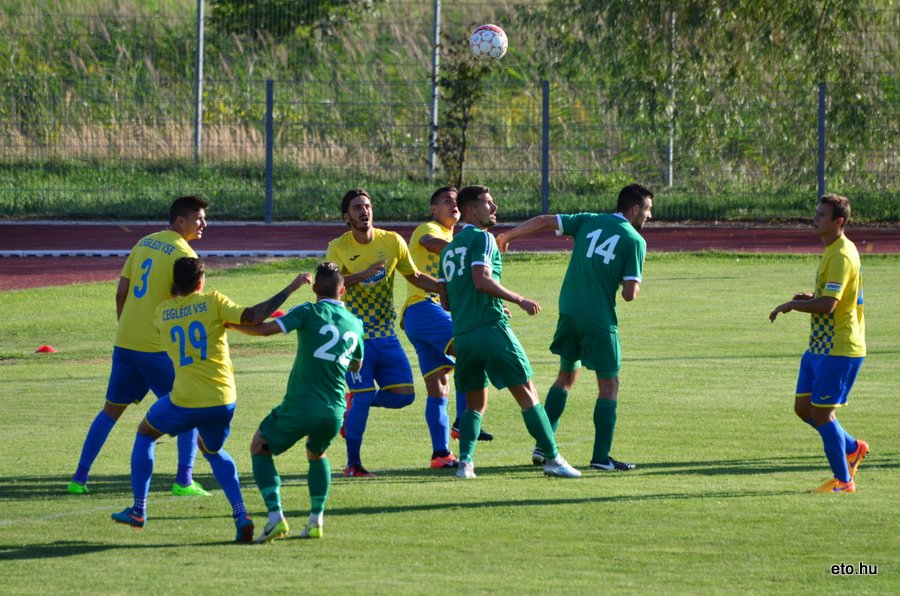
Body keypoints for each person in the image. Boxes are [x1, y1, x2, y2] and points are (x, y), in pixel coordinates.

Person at [111, 257, 310, 541]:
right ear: (201, 283)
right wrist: (290, 288)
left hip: (185, 400)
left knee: (145, 433)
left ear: (174, 284)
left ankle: (139, 509)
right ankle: (241, 515)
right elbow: (253, 316)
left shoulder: (162, 313)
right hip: (223, 400)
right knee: (212, 450)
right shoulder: (214, 302)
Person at [496, 183, 653, 471]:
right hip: (598, 317)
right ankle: (601, 458)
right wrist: (632, 281)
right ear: (634, 210)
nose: (649, 217)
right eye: (648, 210)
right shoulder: (635, 240)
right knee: (609, 384)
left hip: (568, 309)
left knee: (566, 376)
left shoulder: (589, 219)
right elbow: (630, 294)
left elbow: (544, 220)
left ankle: (544, 447)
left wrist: (508, 235)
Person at [68, 195, 211, 496]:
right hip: (155, 348)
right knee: (190, 405)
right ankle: (184, 481)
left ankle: (79, 479)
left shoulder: (143, 243)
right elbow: (186, 305)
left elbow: (121, 292)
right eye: (198, 218)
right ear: (180, 220)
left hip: (125, 343)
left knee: (110, 411)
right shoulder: (184, 255)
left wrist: (126, 327)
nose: (204, 224)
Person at [438, 185, 581, 479]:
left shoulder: (449, 249)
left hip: (463, 337)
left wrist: (481, 301)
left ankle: (465, 464)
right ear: (470, 210)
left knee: (474, 403)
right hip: (491, 331)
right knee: (527, 392)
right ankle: (553, 458)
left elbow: (447, 300)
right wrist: (518, 299)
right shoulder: (484, 239)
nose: (495, 208)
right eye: (488, 203)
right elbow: (481, 279)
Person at [227, 262, 364, 541]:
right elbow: (357, 365)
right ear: (344, 290)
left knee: (260, 446)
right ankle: (316, 521)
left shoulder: (308, 311)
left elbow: (264, 330)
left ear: (314, 289)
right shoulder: (355, 323)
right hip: (335, 409)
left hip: (302, 405)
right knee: (317, 454)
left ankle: (276, 517)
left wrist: (229, 325)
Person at [325, 188, 439, 477]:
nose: (364, 211)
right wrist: (363, 274)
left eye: (367, 206)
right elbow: (330, 285)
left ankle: (353, 405)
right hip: (354, 338)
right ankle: (353, 464)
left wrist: (442, 286)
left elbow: (413, 276)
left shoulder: (392, 242)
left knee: (404, 396)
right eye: (356, 207)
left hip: (386, 335)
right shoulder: (338, 247)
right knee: (363, 396)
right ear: (346, 216)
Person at [769, 194, 869, 493]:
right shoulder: (831, 250)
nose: (816, 218)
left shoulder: (841, 254)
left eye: (822, 215)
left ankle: (844, 480)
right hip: (819, 347)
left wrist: (792, 304)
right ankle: (852, 447)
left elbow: (829, 305)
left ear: (839, 221)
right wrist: (808, 300)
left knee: (823, 414)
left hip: (839, 348)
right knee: (804, 409)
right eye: (816, 213)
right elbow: (827, 299)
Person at [400, 186, 492, 470]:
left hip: (418, 319)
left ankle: (440, 454)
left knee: (439, 387)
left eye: (456, 201)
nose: (453, 205)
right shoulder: (428, 229)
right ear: (433, 209)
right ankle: (463, 422)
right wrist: (464, 249)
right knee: (472, 352)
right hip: (425, 308)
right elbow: (429, 242)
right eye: (446, 201)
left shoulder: (455, 238)